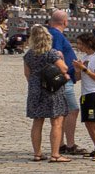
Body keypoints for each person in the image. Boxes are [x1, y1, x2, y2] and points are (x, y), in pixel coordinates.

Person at [23, 24, 73, 162]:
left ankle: (37, 153)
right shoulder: (51, 53)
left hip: (35, 90)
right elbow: (64, 69)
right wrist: (62, 58)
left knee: (37, 122)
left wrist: (35, 84)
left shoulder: (29, 55)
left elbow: (27, 74)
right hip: (52, 90)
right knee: (56, 122)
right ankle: (55, 154)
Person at [47, 9, 85, 156]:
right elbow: (56, 55)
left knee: (63, 112)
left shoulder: (52, 33)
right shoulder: (57, 35)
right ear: (65, 22)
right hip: (63, 80)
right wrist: (64, 72)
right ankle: (69, 144)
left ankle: (61, 144)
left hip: (62, 79)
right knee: (72, 110)